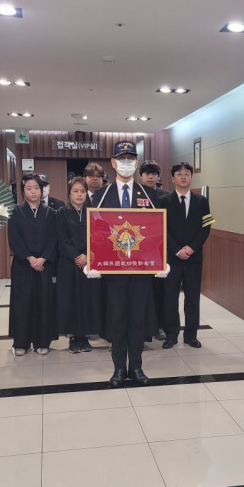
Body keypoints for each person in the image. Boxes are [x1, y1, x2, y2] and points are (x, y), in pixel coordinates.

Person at [92, 140, 159, 387]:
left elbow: (157, 231)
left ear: (137, 162)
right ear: (113, 162)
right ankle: (119, 367)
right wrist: (93, 259)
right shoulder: (100, 196)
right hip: (114, 270)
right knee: (118, 319)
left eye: (131, 159)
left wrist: (161, 260)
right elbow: (95, 231)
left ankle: (137, 367)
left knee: (138, 319)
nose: (127, 163)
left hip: (141, 269)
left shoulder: (150, 195)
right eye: (122, 159)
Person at [159, 163, 213, 349]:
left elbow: (206, 227)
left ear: (191, 177)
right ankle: (171, 335)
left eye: (187, 174)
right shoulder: (164, 201)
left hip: (194, 258)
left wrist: (191, 248)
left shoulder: (201, 201)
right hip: (171, 258)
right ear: (173, 178)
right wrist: (176, 250)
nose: (183, 177)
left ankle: (191, 335)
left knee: (192, 298)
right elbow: (161, 228)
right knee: (170, 298)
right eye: (179, 174)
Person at [8, 173, 58, 356]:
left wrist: (43, 258)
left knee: (44, 301)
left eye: (36, 188)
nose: (33, 192)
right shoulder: (15, 211)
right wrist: (30, 258)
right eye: (29, 188)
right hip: (23, 264)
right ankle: (21, 342)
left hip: (44, 264)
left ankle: (42, 341)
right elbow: (14, 238)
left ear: (42, 190)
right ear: (23, 191)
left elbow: (54, 238)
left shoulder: (51, 212)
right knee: (22, 302)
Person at [56, 177, 102, 352]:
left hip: (89, 262)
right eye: (75, 191)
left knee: (88, 299)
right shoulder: (61, 212)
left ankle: (85, 337)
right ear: (69, 194)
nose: (79, 195)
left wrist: (87, 256)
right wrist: (76, 256)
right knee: (71, 300)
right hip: (68, 263)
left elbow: (98, 236)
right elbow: (61, 239)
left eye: (82, 191)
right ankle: (73, 337)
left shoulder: (93, 212)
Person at [140, 160, 169, 340]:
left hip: (159, 250)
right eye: (147, 174)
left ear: (158, 176)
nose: (150, 177)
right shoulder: (134, 193)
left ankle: (160, 326)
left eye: (154, 174)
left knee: (160, 290)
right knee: (142, 291)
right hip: (138, 250)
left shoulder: (165, 196)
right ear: (141, 176)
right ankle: (143, 328)